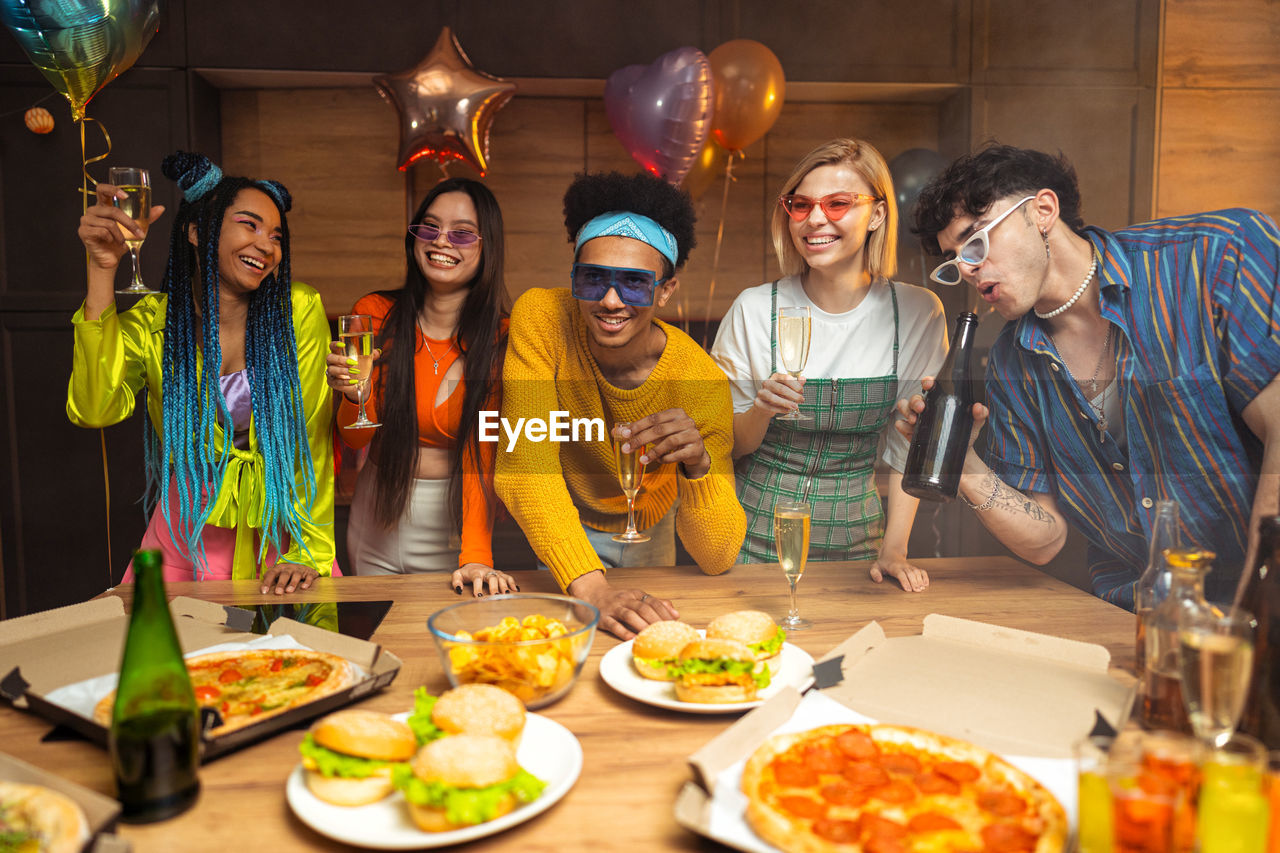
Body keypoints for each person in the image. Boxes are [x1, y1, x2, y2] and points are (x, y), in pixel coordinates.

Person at [900, 143, 1280, 608]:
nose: (968, 268)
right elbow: (1045, 539)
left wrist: (1253, 618)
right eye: (955, 260)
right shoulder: (1010, 361)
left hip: (1254, 610)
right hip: (1132, 617)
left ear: (1042, 210)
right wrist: (965, 467)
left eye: (976, 241)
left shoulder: (1212, 257)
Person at [494, 171, 747, 639]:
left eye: (634, 284)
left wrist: (699, 464)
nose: (611, 301)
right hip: (561, 526)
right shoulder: (542, 319)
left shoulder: (700, 379)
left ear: (665, 290)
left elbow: (718, 555)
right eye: (594, 279)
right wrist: (592, 589)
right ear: (574, 278)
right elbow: (524, 465)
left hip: (652, 535)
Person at [68, 151, 335, 594]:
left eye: (275, 235)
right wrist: (102, 270)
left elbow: (311, 439)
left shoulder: (297, 310)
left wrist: (308, 549)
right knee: (172, 660)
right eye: (249, 225)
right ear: (197, 231)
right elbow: (95, 409)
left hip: (279, 535)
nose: (267, 245)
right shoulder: (152, 324)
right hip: (184, 538)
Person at [711, 138, 947, 592]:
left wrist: (894, 550)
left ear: (877, 214)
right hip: (751, 538)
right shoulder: (755, 308)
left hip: (861, 544)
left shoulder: (918, 312)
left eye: (838, 204)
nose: (815, 218)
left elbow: (909, 447)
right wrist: (761, 409)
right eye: (801, 205)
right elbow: (731, 447)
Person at [326, 178, 517, 596]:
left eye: (462, 233)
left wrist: (476, 554)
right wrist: (354, 396)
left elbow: (483, 455)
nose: (441, 242)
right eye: (429, 228)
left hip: (452, 521)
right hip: (377, 507)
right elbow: (355, 440)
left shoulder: (504, 339)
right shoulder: (373, 314)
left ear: (488, 247)